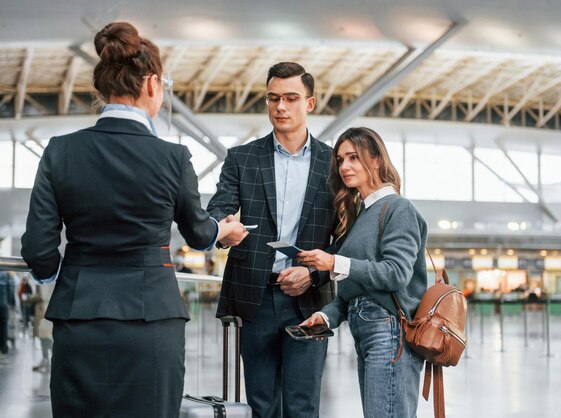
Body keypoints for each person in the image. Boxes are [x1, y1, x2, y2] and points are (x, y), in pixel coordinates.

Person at [20, 21, 247, 418]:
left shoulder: (60, 152)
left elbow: (38, 249)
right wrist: (223, 232)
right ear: (153, 84)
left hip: (79, 320)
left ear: (102, 88)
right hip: (152, 320)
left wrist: (64, 275)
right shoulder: (173, 158)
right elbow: (198, 232)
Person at [207, 62, 337, 418]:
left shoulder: (334, 163)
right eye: (273, 98)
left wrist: (315, 273)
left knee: (303, 405)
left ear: (309, 104)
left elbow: (344, 237)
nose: (280, 106)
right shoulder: (242, 158)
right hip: (256, 296)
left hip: (310, 299)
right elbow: (218, 209)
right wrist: (223, 226)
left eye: (291, 98)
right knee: (261, 406)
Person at [297, 127, 427, 418]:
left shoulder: (398, 209)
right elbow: (352, 291)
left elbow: (395, 274)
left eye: (354, 157)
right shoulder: (361, 217)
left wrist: (334, 263)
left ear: (377, 160)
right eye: (341, 159)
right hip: (367, 332)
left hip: (390, 333)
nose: (344, 166)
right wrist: (326, 316)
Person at [31, 283, 54, 372]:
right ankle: (46, 359)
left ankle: (48, 359)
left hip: (46, 306)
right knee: (44, 335)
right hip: (43, 307)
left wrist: (32, 299)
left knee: (47, 335)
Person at [0, 271, 16, 354]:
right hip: (3, 304)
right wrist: (10, 302)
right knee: (4, 325)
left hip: (3, 303)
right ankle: (3, 346)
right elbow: (10, 290)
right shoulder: (6, 275)